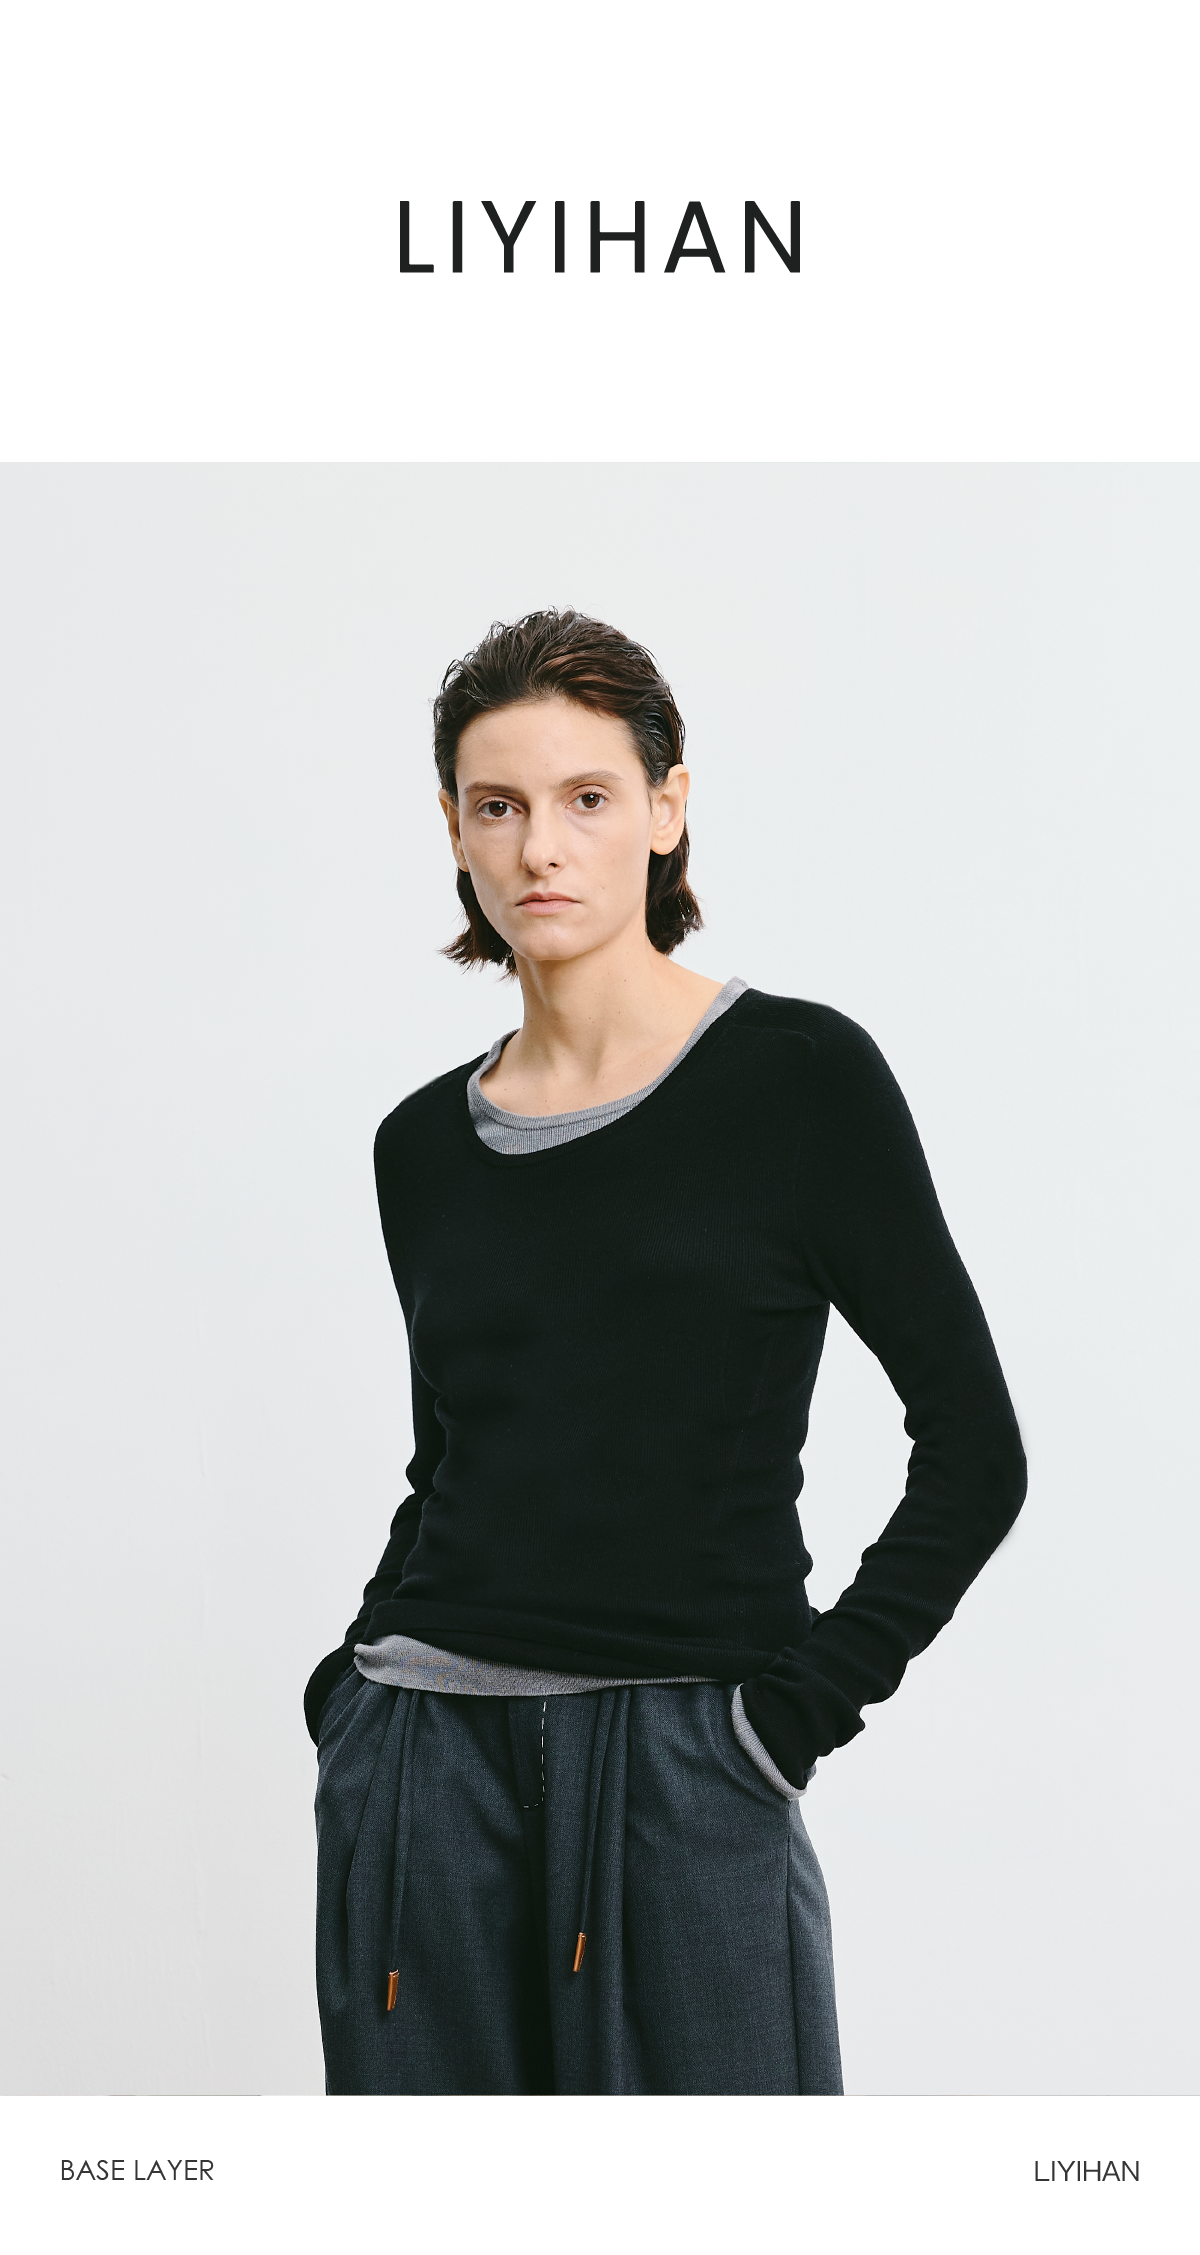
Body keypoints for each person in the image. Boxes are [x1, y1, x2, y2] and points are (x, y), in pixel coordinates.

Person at [304, 608, 1027, 2096]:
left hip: (688, 1761)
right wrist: (350, 1703)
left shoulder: (799, 1078)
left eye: (587, 797)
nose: (540, 848)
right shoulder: (418, 1148)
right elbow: (456, 1459)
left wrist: (787, 1718)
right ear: (453, 828)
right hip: (422, 1766)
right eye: (497, 806)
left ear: (666, 807)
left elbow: (977, 1449)